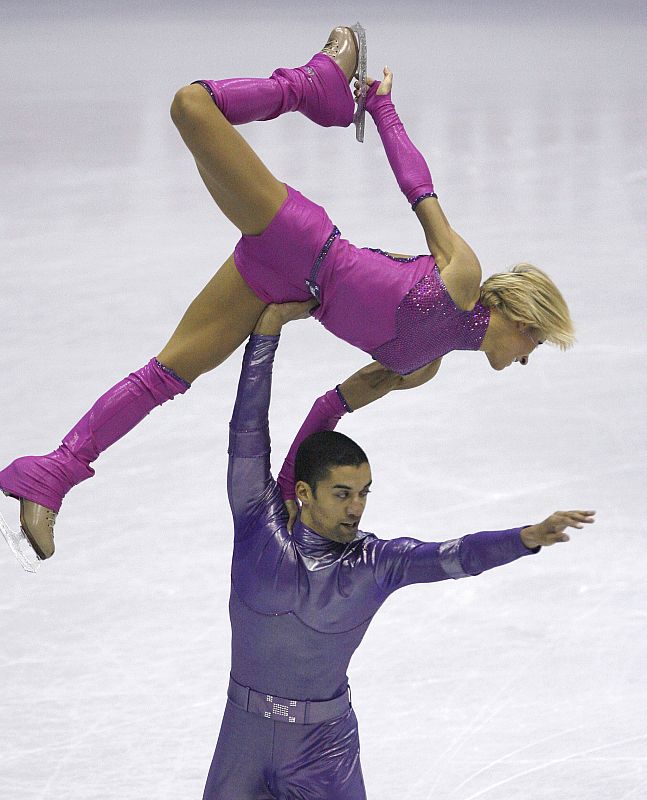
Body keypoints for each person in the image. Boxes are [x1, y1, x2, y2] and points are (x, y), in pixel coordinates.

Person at [0, 24, 574, 561]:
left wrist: (284, 494)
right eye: (536, 344)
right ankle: (310, 85)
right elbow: (418, 188)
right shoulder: (462, 280)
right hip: (300, 240)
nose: (526, 358)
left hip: (276, 287)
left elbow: (329, 408)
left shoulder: (423, 368)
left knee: (166, 375)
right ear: (524, 320)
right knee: (191, 106)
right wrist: (382, 108)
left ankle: (53, 475)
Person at [203, 299, 593, 799]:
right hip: (243, 738)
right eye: (342, 494)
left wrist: (525, 538)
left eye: (364, 493)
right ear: (304, 492)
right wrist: (267, 334)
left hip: (322, 750)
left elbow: (455, 556)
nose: (356, 508)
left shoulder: (375, 563)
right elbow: (247, 430)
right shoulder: (258, 525)